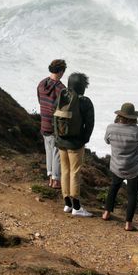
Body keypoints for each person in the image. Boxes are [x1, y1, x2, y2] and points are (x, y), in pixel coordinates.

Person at [102, 102, 138, 231]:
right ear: (133, 117)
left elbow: (106, 140)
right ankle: (128, 223)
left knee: (113, 188)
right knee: (132, 194)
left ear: (120, 115)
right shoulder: (137, 131)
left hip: (117, 166)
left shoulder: (111, 128)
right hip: (132, 167)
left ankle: (107, 213)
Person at [54, 72, 94, 217]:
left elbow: (55, 120)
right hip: (76, 143)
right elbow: (89, 124)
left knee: (65, 171)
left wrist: (58, 138)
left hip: (61, 142)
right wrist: (84, 140)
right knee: (75, 172)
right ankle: (76, 206)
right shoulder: (85, 102)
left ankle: (67, 204)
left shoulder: (61, 97)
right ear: (83, 86)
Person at [37, 59, 66, 189]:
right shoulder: (61, 89)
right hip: (55, 125)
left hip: (44, 122)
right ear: (61, 71)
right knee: (57, 152)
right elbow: (65, 109)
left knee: (49, 151)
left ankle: (50, 178)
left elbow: (40, 101)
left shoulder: (41, 84)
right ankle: (56, 180)